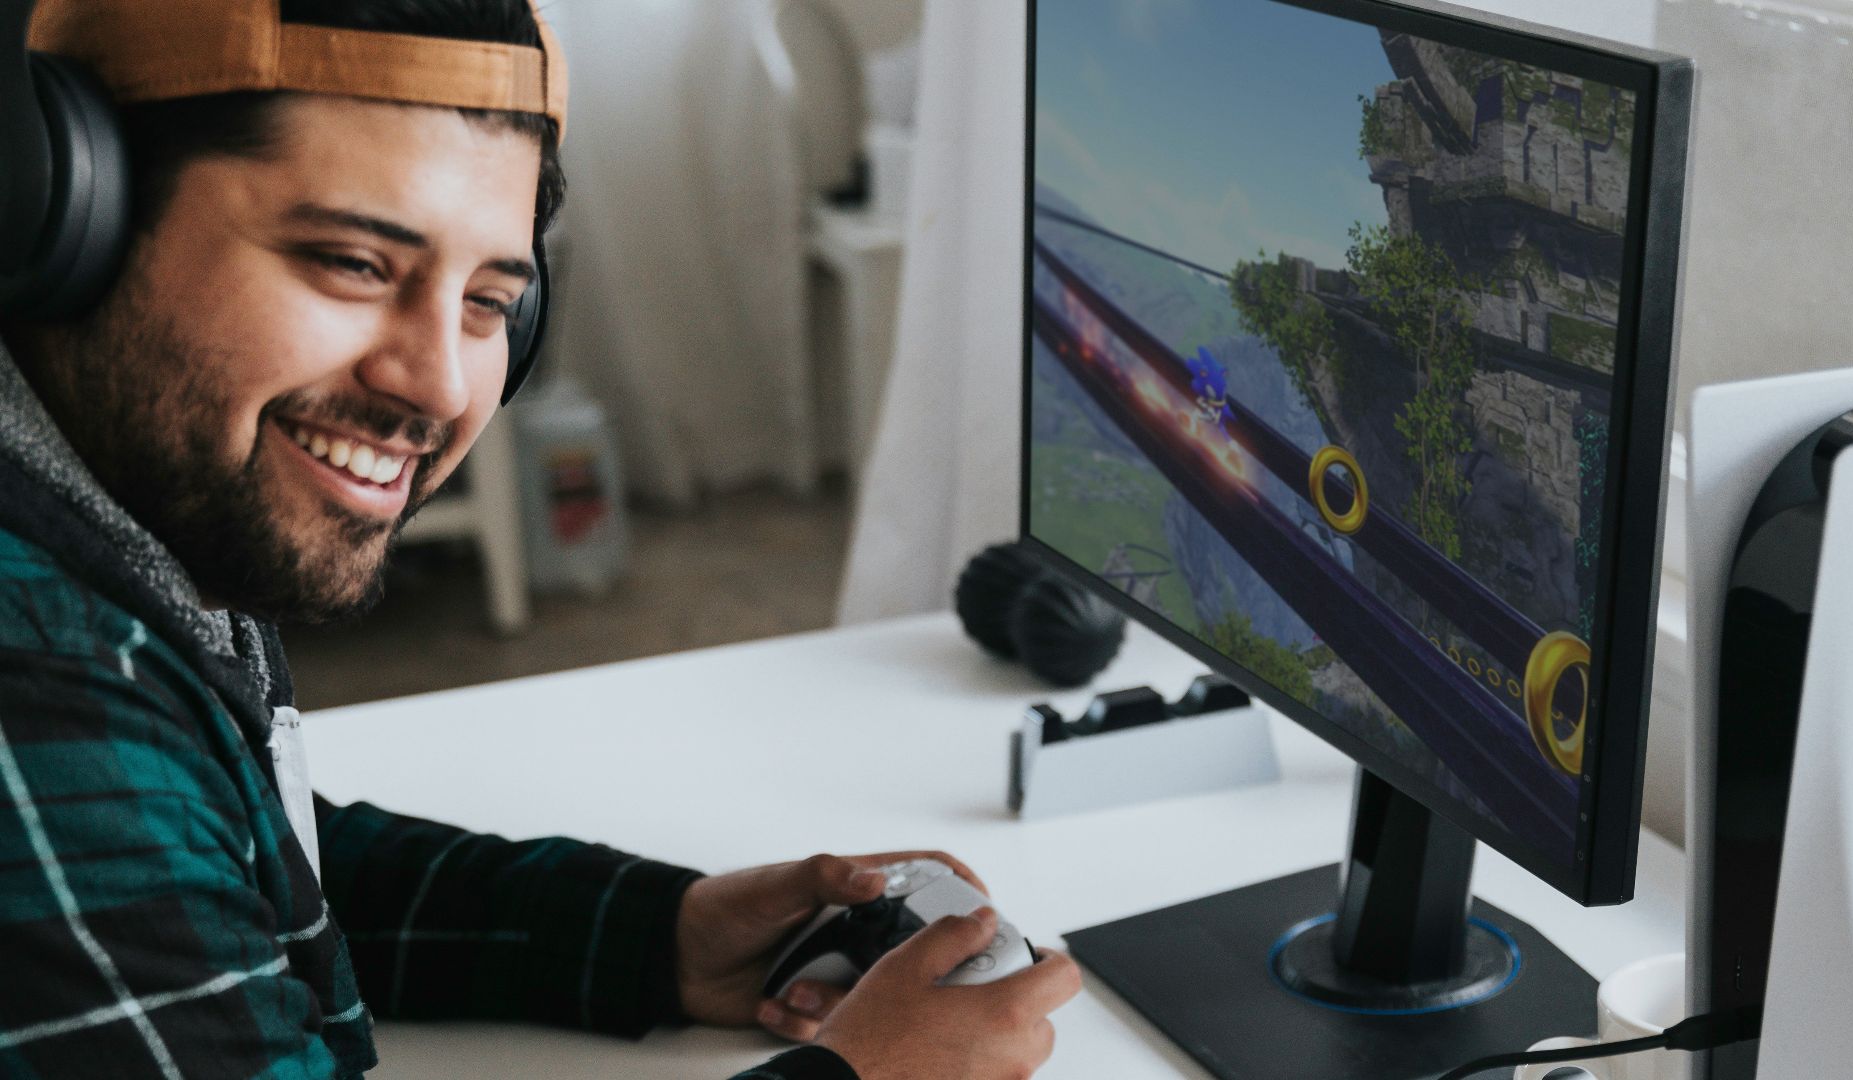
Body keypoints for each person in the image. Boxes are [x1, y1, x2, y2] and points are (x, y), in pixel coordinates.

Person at [0, 1, 1080, 1077]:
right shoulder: (40, 684)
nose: (436, 383)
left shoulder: (132, 521)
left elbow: (237, 858)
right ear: (55, 212)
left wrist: (657, 934)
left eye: (488, 302)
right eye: (352, 263)